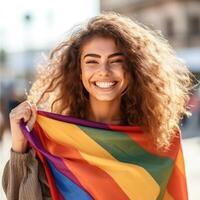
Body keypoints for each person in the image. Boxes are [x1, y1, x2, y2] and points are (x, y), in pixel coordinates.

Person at [2, 12, 194, 200]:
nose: (104, 71)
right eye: (92, 61)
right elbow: (20, 195)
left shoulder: (161, 140)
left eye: (116, 61)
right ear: (79, 71)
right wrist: (19, 146)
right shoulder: (55, 139)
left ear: (133, 69)